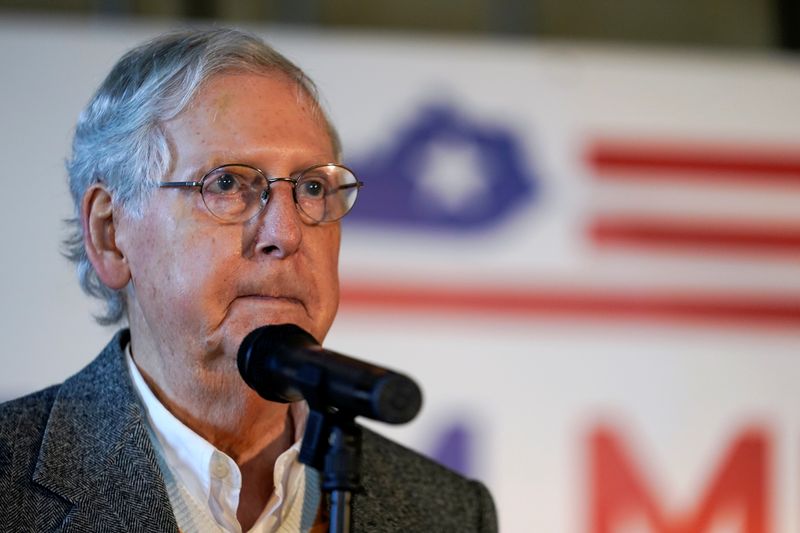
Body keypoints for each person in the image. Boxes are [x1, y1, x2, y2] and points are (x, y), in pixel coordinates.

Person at [0, 28, 497, 532]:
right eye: (228, 183)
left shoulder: (446, 513)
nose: (286, 233)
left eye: (310, 187)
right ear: (110, 233)